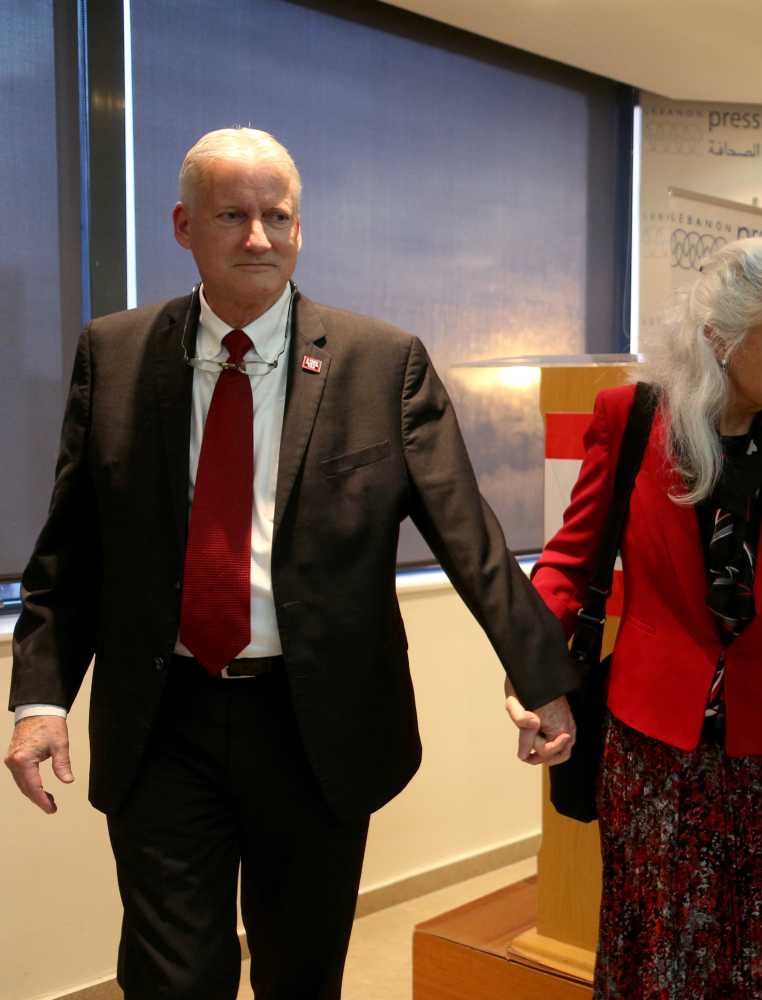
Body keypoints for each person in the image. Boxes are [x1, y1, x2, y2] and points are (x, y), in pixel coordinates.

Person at [3, 127, 579, 998]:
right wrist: (41, 697)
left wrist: (541, 677)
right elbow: (71, 548)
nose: (259, 238)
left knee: (299, 975)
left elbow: (472, 539)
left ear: (301, 229)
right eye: (232, 214)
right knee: (170, 979)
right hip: (164, 722)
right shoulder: (115, 356)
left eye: (278, 216)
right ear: (182, 226)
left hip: (315, 728)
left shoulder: (382, 364)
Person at [512, 237, 762, 999]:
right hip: (657, 754)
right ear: (721, 341)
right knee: (665, 952)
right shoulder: (634, 421)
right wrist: (529, 672)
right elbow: (569, 559)